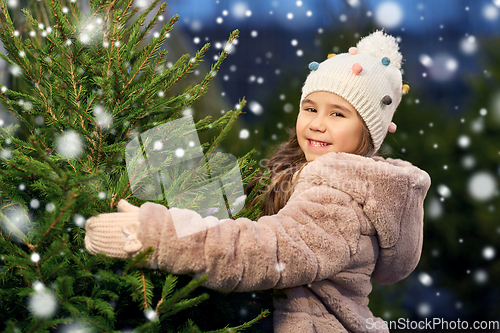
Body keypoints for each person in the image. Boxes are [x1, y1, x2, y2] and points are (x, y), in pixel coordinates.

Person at [85, 31, 431, 333]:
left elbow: (268, 250)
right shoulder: (299, 173)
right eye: (310, 109)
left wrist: (154, 234)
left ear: (369, 134)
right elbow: (253, 219)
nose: (317, 123)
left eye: (337, 114)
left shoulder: (341, 202)